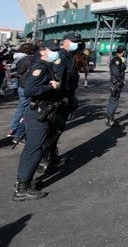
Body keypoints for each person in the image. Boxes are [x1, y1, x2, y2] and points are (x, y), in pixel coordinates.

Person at [12, 39, 61, 201]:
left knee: (36, 148)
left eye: (56, 49)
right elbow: (30, 90)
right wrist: (51, 86)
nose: (55, 52)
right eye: (52, 49)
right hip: (37, 113)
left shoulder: (46, 65)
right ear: (43, 51)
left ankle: (25, 182)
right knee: (34, 149)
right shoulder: (40, 66)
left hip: (42, 111)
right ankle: (22, 187)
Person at [38, 33, 82, 172]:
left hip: (66, 98)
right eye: (74, 42)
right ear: (67, 42)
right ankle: (43, 158)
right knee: (53, 129)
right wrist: (59, 98)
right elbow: (56, 79)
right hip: (59, 99)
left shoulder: (69, 56)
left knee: (58, 129)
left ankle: (52, 156)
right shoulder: (61, 57)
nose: (76, 44)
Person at [8, 42, 35, 143]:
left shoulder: (17, 58)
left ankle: (15, 129)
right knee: (25, 108)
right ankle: (16, 130)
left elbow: (14, 73)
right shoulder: (26, 59)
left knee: (22, 107)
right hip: (26, 86)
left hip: (21, 85)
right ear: (30, 51)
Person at [105, 45, 127, 126]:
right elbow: (116, 72)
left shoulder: (118, 59)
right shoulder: (116, 60)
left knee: (114, 100)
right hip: (115, 84)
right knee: (114, 101)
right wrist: (122, 80)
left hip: (116, 83)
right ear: (123, 51)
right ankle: (109, 119)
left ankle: (111, 118)